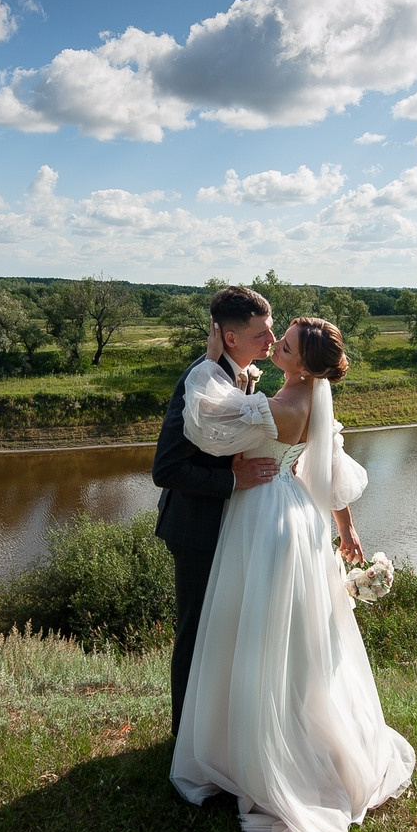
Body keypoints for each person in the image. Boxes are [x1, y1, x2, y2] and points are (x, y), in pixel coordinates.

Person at [169, 315, 416, 832]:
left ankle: (265, 750)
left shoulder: (281, 406)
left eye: (285, 344)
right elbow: (328, 469)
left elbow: (206, 423)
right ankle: (275, 729)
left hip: (268, 520)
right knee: (295, 635)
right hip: (300, 515)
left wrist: (212, 360)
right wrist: (346, 528)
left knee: (260, 631)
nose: (275, 345)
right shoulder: (306, 396)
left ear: (302, 364)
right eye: (278, 338)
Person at [151, 285, 279, 738]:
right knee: (196, 632)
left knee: (225, 630)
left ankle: (215, 732)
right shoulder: (200, 379)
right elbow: (166, 468)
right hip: (196, 530)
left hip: (229, 526)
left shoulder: (241, 373)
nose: (272, 339)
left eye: (271, 330)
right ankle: (183, 738)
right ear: (230, 338)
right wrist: (233, 481)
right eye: (262, 333)